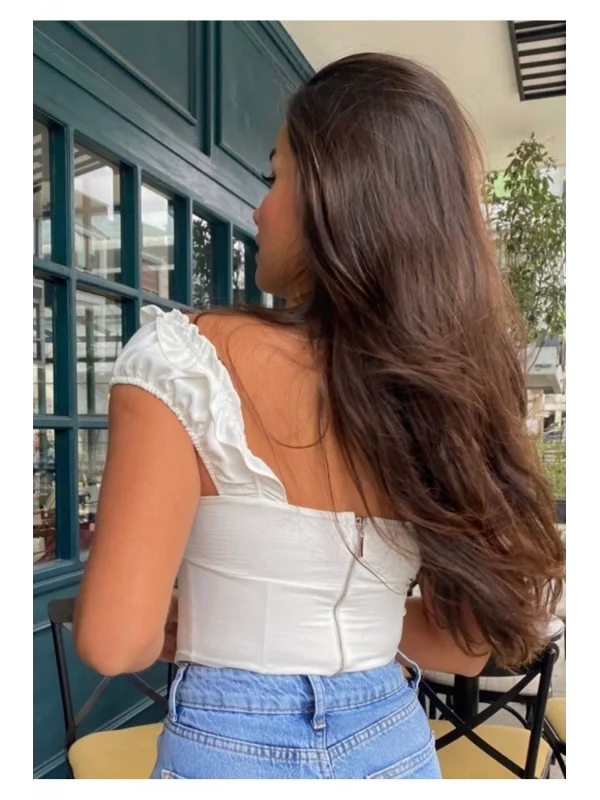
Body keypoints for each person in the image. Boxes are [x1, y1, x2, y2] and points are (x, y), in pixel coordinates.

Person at [73, 53, 565, 779]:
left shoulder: (182, 360)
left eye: (275, 177)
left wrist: (213, 613)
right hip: (395, 745)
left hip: (229, 748)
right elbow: (462, 646)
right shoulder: (437, 392)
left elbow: (115, 643)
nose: (259, 207)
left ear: (333, 195)